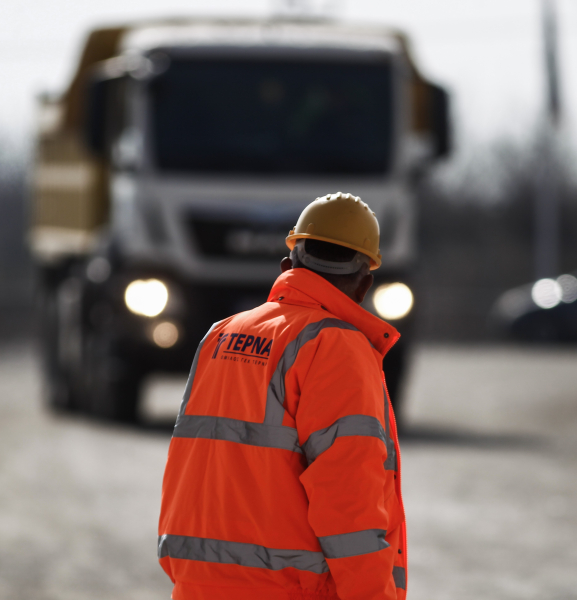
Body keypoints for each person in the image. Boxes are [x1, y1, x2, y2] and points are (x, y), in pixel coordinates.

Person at [157, 192, 407, 600]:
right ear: (364, 284)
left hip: (196, 588)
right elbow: (349, 504)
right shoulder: (336, 347)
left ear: (287, 266)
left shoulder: (220, 335)